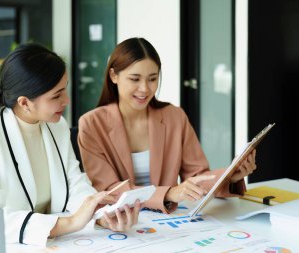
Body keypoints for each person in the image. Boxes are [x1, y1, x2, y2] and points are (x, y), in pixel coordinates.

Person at [0, 43, 140, 246]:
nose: (67, 100)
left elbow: (75, 183)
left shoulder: (57, 126)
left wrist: (101, 214)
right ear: (24, 103)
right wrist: (70, 223)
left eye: (65, 90)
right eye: (56, 95)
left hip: (58, 242)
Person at [78, 37, 256, 213]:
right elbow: (110, 190)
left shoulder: (174, 117)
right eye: (135, 79)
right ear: (113, 76)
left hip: (169, 220)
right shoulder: (92, 124)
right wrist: (169, 193)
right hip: (120, 222)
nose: (145, 89)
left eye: (152, 79)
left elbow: (196, 178)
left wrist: (230, 176)